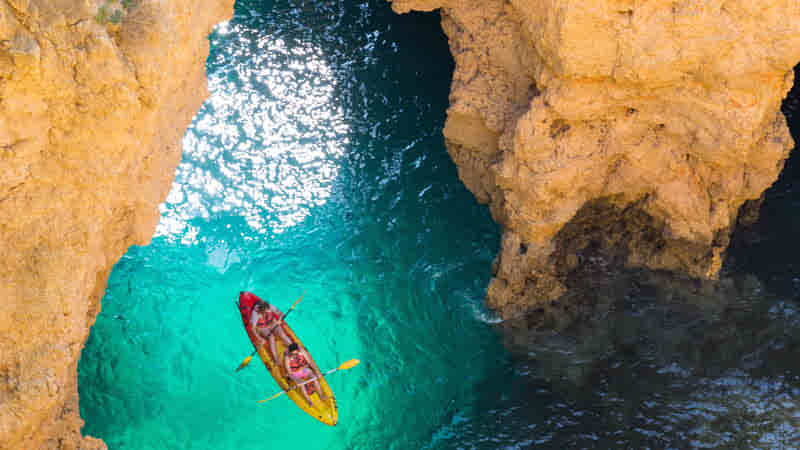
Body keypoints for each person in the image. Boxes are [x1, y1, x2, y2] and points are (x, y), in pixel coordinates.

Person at [284, 342, 328, 406]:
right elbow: (289, 372)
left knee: (314, 378)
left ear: (298, 350)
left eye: (296, 353)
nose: (295, 355)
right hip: (295, 373)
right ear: (290, 353)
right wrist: (297, 380)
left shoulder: (302, 352)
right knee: (302, 384)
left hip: (304, 369)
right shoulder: (287, 358)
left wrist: (317, 372)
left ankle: (321, 395)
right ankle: (309, 400)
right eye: (293, 354)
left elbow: (310, 362)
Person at [249, 300, 292, 365]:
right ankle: (276, 359)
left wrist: (280, 320)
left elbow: (280, 313)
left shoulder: (269, 306)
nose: (269, 311)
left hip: (273, 323)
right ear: (261, 311)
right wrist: (260, 338)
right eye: (266, 311)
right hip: (263, 328)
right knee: (271, 337)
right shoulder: (255, 314)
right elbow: (253, 328)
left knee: (282, 334)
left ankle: (293, 348)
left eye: (268, 309)